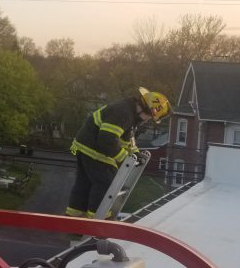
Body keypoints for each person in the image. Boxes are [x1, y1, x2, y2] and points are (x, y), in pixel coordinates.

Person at [65, 87, 170, 219]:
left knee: (84, 184)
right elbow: (107, 140)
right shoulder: (124, 113)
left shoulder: (130, 113)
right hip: (94, 149)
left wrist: (136, 153)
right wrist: (125, 158)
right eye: (149, 116)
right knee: (105, 182)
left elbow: (126, 139)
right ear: (145, 108)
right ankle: (98, 221)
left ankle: (74, 220)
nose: (148, 120)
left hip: (85, 146)